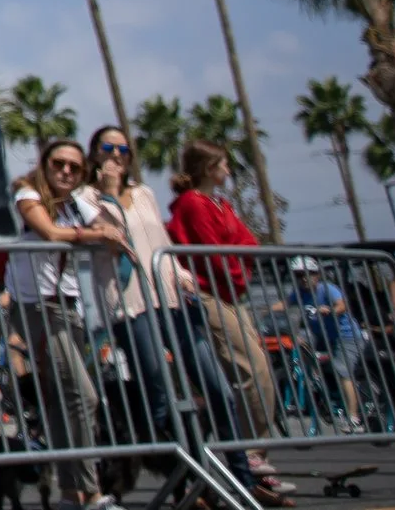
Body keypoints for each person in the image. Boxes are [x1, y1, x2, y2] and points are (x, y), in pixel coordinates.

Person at [83, 127, 264, 496]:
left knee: (219, 391)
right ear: (94, 154)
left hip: (171, 300)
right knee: (160, 400)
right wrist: (111, 192)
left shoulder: (145, 193)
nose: (117, 154)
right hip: (131, 306)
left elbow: (160, 243)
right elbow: (113, 236)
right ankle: (193, 481)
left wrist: (181, 274)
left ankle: (241, 481)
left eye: (124, 149)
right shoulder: (86, 197)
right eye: (108, 148)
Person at [165, 140, 285, 500]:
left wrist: (237, 274)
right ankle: (248, 452)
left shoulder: (222, 203)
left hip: (231, 294)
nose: (228, 169)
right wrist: (235, 276)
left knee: (260, 368)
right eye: (222, 163)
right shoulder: (192, 204)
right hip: (208, 293)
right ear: (206, 167)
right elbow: (213, 253)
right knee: (251, 367)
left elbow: (247, 242)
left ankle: (253, 454)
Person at [7, 137, 120, 510]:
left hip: (68, 307)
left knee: (61, 401)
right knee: (84, 395)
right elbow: (50, 234)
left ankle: (71, 495)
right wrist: (94, 235)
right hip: (37, 307)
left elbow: (114, 233)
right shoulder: (27, 194)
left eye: (74, 166)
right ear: (44, 164)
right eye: (59, 164)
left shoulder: (77, 202)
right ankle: (92, 493)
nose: (66, 172)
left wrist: (103, 195)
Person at [280, 257, 363, 429]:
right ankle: (320, 392)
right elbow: (283, 305)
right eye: (299, 275)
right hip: (322, 338)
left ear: (316, 275)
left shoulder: (327, 289)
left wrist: (330, 310)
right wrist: (261, 311)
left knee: (342, 371)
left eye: (309, 274)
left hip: (346, 336)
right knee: (301, 352)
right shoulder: (298, 293)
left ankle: (354, 418)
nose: (304, 278)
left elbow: (342, 305)